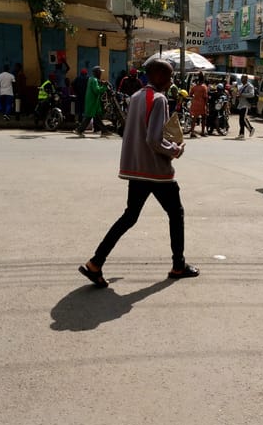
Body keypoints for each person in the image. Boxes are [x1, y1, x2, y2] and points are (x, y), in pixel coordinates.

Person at [78, 59, 199, 287]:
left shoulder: (136, 97)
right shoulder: (159, 99)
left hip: (136, 169)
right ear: (160, 77)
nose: (172, 81)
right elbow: (154, 139)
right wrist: (175, 150)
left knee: (129, 216)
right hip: (155, 171)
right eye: (170, 76)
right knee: (176, 214)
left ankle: (96, 262)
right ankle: (178, 265)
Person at [76, 65, 108, 136]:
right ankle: (79, 130)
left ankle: (104, 131)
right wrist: (104, 87)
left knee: (96, 117)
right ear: (97, 73)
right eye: (100, 72)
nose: (101, 73)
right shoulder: (94, 80)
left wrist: (101, 83)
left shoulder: (91, 79)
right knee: (89, 117)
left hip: (92, 101)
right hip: (92, 102)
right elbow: (97, 90)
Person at [236, 74, 255, 139]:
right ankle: (242, 133)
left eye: (243, 78)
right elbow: (239, 94)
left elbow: (252, 94)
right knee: (241, 120)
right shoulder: (241, 86)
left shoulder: (250, 86)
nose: (241, 80)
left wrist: (242, 94)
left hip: (246, 105)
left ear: (246, 79)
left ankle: (251, 129)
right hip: (241, 104)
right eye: (241, 78)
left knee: (243, 118)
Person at [189, 72, 208, 137]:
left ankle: (192, 132)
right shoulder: (204, 87)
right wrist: (206, 105)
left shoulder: (194, 87)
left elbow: (190, 94)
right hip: (201, 104)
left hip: (194, 103)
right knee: (203, 118)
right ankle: (202, 132)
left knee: (194, 118)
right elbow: (205, 97)